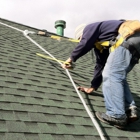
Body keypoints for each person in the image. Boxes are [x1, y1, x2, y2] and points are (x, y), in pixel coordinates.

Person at [62, 20, 140, 128]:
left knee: (112, 74)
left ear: (82, 34)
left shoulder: (89, 28)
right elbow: (100, 66)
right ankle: (130, 109)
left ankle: (116, 115)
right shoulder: (102, 44)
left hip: (129, 38)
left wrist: (70, 59)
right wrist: (93, 87)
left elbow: (85, 43)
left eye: (80, 39)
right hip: (136, 44)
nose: (81, 41)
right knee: (118, 75)